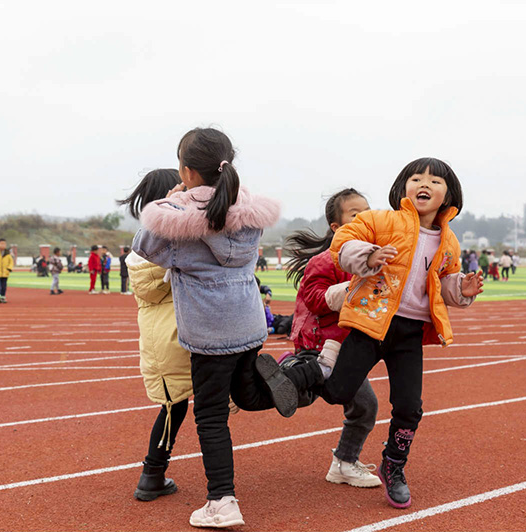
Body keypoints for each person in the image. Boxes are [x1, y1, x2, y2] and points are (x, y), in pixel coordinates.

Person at [264, 157, 484, 510]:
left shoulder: (449, 242)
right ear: (403, 187)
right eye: (416, 178)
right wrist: (368, 256)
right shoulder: (381, 220)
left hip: (410, 334)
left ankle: (393, 465)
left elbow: (441, 282)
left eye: (435, 181)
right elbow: (346, 241)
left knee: (410, 408)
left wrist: (461, 289)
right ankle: (302, 367)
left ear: (449, 194)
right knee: (338, 391)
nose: (425, 184)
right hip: (371, 323)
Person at [133, 128, 287, 528]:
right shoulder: (248, 209)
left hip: (208, 332)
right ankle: (304, 377)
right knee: (249, 394)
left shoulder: (179, 217)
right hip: (249, 322)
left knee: (212, 417)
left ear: (186, 171)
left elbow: (144, 245)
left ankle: (222, 500)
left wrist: (178, 198)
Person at [282, 188, 381, 488]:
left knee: (362, 406)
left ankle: (343, 463)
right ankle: (281, 374)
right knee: (310, 394)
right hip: (319, 346)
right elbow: (314, 299)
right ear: (337, 228)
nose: (365, 217)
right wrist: (352, 288)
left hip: (346, 349)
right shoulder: (327, 260)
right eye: (355, 214)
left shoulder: (372, 258)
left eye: (368, 211)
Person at [118, 168, 195, 502]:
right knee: (208, 398)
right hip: (181, 330)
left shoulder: (143, 243)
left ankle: (153, 474)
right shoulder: (168, 241)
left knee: (175, 406)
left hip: (164, 336)